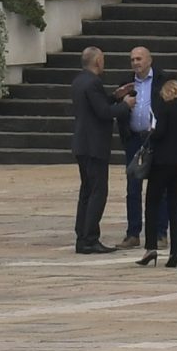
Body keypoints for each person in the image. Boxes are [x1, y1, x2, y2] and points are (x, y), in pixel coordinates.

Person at [135, 78, 177, 270]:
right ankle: (176, 252)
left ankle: (151, 247)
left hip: (162, 162)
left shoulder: (166, 109)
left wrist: (151, 132)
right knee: (175, 207)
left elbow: (159, 133)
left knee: (152, 203)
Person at [69, 46, 120, 255]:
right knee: (98, 191)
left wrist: (115, 97)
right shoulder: (93, 82)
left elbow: (97, 105)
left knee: (87, 191)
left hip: (82, 143)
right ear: (97, 61)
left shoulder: (80, 81)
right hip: (94, 145)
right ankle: (90, 237)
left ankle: (82, 235)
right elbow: (104, 112)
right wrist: (125, 105)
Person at [118, 45, 161, 246]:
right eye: (133, 59)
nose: (136, 63)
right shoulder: (126, 83)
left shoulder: (162, 79)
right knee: (133, 186)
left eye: (139, 59)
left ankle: (161, 232)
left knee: (160, 185)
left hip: (155, 137)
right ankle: (133, 232)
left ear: (149, 60)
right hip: (134, 138)